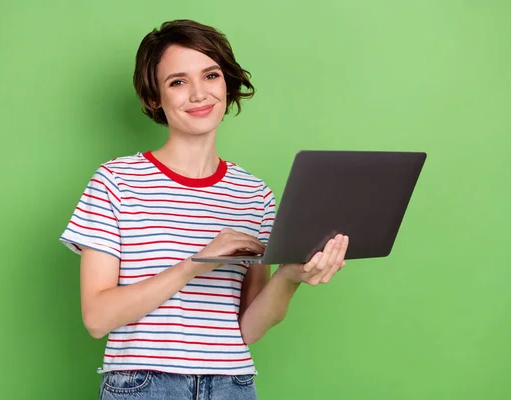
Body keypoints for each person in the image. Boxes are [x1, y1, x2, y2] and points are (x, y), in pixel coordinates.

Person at [59, 19, 349, 400]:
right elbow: (97, 318)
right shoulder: (116, 181)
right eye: (177, 82)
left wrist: (290, 276)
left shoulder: (254, 195)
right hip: (145, 386)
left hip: (233, 385)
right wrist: (197, 262)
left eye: (210, 75)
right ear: (153, 98)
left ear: (226, 84)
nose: (198, 94)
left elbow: (247, 329)